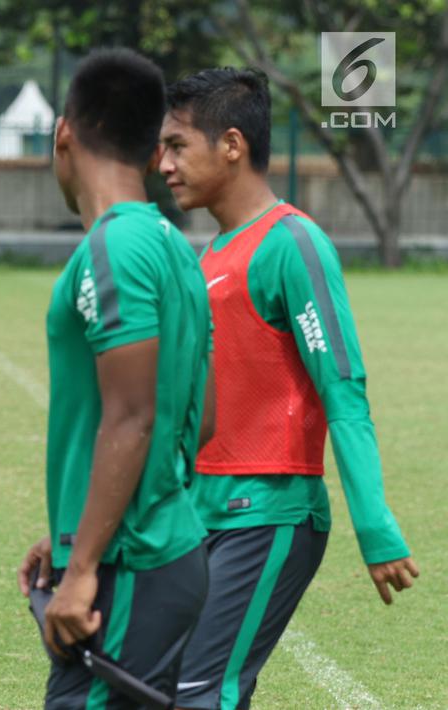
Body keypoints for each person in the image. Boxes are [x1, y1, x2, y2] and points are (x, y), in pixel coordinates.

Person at [158, 67, 419, 710]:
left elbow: (343, 388)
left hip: (270, 512)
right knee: (179, 686)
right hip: (202, 511)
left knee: (199, 688)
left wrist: (376, 527)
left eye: (176, 145)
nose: (162, 163)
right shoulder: (210, 256)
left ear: (232, 145)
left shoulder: (293, 244)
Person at [16, 48, 213, 707]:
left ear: (63, 131)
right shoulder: (173, 246)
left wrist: (84, 567)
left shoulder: (114, 247)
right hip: (154, 551)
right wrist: (72, 526)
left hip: (130, 566)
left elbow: (132, 417)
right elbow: (200, 416)